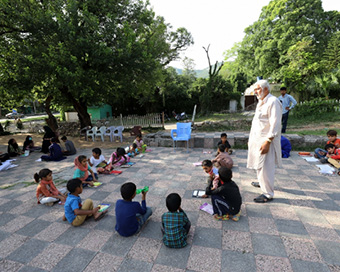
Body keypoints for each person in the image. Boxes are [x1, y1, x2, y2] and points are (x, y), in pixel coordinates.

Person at [247, 79, 282, 203]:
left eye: (258, 89)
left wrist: (268, 141)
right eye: (255, 89)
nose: (255, 92)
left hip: (266, 141)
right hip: (257, 140)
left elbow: (275, 124)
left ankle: (268, 194)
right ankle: (262, 183)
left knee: (266, 167)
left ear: (266, 89)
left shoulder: (273, 102)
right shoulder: (261, 102)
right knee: (259, 164)